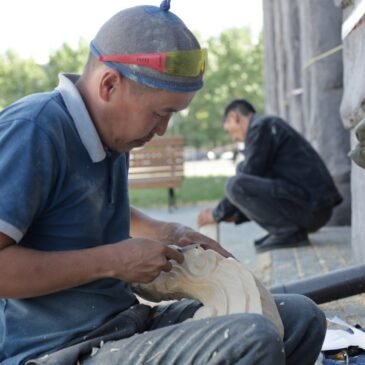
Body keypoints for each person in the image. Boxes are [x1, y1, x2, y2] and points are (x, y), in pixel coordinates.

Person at [0, 3, 326, 365]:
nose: (161, 131)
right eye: (160, 113)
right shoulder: (33, 131)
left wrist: (166, 231)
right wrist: (112, 261)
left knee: (299, 317)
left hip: (125, 325)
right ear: (109, 84)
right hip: (59, 350)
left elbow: (83, 208)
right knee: (253, 339)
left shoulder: (111, 133)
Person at [198, 99, 343, 253]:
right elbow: (261, 184)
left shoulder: (262, 127)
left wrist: (216, 214)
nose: (232, 138)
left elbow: (247, 178)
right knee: (241, 172)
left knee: (234, 185)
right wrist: (237, 214)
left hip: (313, 208)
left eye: (229, 130)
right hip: (313, 208)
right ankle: (287, 231)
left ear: (235, 118)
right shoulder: (267, 127)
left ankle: (288, 233)